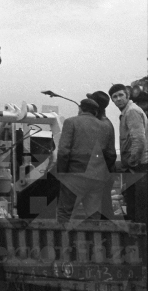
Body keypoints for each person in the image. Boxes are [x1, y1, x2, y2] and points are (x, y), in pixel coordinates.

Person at [56, 99, 116, 223]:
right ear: (95, 112)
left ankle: (62, 236)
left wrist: (62, 173)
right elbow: (111, 155)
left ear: (80, 109)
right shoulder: (106, 127)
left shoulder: (70, 122)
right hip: (97, 179)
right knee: (94, 216)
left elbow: (63, 152)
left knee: (65, 215)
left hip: (74, 176)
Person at [108, 83, 147, 225]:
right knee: (134, 206)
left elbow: (139, 140)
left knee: (138, 208)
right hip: (138, 165)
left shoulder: (131, 112)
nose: (118, 99)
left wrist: (132, 162)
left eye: (121, 95)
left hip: (139, 166)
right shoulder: (128, 112)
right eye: (115, 97)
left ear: (127, 95)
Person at [87, 91, 117, 220]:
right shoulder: (102, 122)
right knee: (103, 207)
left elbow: (107, 154)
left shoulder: (103, 125)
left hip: (103, 173)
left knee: (104, 208)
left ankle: (108, 231)